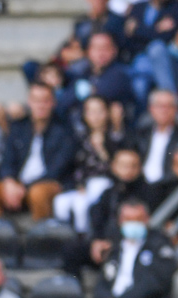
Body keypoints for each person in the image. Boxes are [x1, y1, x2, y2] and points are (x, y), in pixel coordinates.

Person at [0, 83, 77, 222]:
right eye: (36, 100)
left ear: (53, 102)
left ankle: (42, 239)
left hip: (49, 183)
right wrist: (9, 180)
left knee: (37, 194)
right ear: (29, 102)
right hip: (18, 183)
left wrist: (23, 187)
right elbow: (8, 159)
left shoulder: (64, 131)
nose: (41, 105)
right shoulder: (19, 127)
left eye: (45, 100)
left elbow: (56, 170)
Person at [54, 95, 126, 232]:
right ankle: (62, 236)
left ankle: (84, 238)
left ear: (107, 112)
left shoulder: (114, 135)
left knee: (81, 205)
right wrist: (78, 184)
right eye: (91, 112)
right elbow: (75, 166)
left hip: (105, 182)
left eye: (100, 111)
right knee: (60, 202)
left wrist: (101, 149)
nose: (96, 116)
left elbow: (117, 165)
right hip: (83, 184)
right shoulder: (80, 137)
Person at [61, 32, 135, 120]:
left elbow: (102, 96)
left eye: (105, 48)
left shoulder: (120, 74)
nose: (101, 52)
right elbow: (64, 103)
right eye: (96, 48)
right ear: (88, 52)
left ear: (114, 50)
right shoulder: (83, 73)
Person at [134, 87, 178, 185]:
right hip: (139, 185)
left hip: (169, 187)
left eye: (169, 106)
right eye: (159, 106)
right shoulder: (141, 133)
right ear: (151, 109)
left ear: (176, 109)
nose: (164, 110)